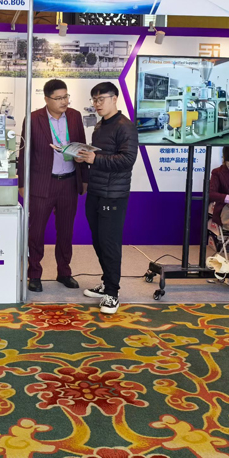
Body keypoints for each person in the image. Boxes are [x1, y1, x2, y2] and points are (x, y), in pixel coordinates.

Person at [18, 79, 88, 293]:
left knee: (66, 232)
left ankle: (64, 272)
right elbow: (24, 152)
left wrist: (84, 178)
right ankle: (34, 274)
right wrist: (22, 183)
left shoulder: (75, 116)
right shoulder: (33, 119)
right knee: (36, 233)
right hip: (42, 184)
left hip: (68, 183)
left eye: (66, 97)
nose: (64, 102)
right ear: (46, 99)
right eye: (58, 98)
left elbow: (83, 147)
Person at [76, 82, 137, 314]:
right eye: (94, 99)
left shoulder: (126, 127)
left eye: (101, 99)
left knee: (110, 244)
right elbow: (99, 156)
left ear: (114, 98)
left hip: (114, 195)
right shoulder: (100, 126)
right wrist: (84, 158)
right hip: (96, 191)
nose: (97, 104)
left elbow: (127, 160)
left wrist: (95, 160)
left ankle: (112, 293)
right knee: (98, 241)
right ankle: (106, 283)